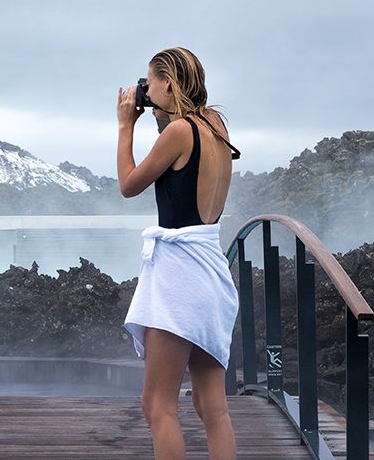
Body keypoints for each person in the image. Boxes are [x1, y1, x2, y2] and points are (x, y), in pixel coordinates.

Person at [117, 46, 241, 460]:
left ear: (167, 83)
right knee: (213, 408)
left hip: (179, 278)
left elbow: (129, 184)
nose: (144, 91)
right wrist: (156, 112)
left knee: (157, 406)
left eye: (149, 83)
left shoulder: (179, 132)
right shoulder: (215, 124)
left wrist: (124, 126)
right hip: (211, 272)